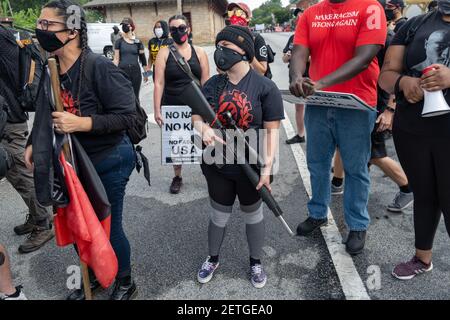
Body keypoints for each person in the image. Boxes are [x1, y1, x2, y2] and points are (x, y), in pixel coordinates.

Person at [27, 0, 137, 299]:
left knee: (107, 227)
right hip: (72, 163)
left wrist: (81, 123)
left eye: (47, 25)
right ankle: (94, 276)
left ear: (72, 31)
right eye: (40, 23)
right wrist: (31, 145)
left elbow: (129, 116)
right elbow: (43, 110)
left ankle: (125, 281)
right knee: (79, 225)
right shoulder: (50, 66)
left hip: (110, 158)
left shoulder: (97, 66)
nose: (40, 30)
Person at [290, 0, 387, 255]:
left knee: (356, 167)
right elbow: (300, 50)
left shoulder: (370, 7)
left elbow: (365, 58)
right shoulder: (311, 13)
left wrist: (320, 82)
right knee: (317, 163)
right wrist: (296, 77)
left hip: (356, 102)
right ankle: (318, 212)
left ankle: (357, 224)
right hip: (319, 103)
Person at [193, 25, 284, 289]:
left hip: (251, 167)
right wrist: (203, 129)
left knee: (252, 215)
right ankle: (212, 258)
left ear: (244, 52)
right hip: (217, 163)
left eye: (227, 48)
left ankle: (256, 261)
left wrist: (267, 169)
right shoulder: (212, 84)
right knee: (218, 215)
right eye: (218, 47)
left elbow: (271, 133)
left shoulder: (265, 87)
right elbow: (197, 114)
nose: (220, 53)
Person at [379, 1, 450, 280]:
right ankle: (422, 258)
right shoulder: (413, 25)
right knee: (425, 194)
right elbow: (386, 75)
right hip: (413, 129)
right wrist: (402, 83)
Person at [331, 0, 414, 213]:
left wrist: (390, 109)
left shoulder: (386, 38)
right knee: (343, 144)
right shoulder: (356, 34)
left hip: (377, 104)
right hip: (355, 102)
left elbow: (398, 73)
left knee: (375, 154)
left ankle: (407, 189)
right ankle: (337, 183)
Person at [0, 20, 53, 254]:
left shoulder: (2, 38)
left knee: (19, 172)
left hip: (8, 118)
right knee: (14, 172)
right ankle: (37, 216)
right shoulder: (6, 35)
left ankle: (44, 223)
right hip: (9, 115)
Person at [153, 15, 210, 194]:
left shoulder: (200, 52)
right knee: (176, 145)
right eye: (173, 29)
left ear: (188, 29)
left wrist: (209, 108)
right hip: (173, 106)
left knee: (204, 141)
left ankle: (209, 174)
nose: (178, 32)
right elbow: (158, 83)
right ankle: (177, 176)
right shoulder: (164, 53)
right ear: (170, 32)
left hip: (197, 106)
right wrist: (157, 110)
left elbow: (206, 82)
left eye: (181, 28)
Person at [226, 2, 270, 78]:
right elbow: (220, 70)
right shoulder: (227, 38)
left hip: (254, 84)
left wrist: (248, 50)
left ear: (247, 18)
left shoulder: (256, 39)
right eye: (231, 13)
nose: (234, 16)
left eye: (239, 12)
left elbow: (261, 72)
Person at [283, 7, 307, 144]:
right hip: (294, 76)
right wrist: (288, 56)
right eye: (297, 18)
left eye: (301, 16)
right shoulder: (293, 37)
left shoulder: (313, 35)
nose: (298, 19)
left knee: (314, 108)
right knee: (299, 106)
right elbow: (283, 58)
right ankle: (300, 134)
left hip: (309, 76)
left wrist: (299, 56)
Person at [113, 17, 148, 99]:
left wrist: (146, 73)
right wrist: (113, 72)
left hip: (135, 72)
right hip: (122, 72)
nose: (124, 27)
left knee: (135, 97)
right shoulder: (119, 42)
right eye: (123, 25)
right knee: (124, 96)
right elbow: (116, 59)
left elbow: (143, 59)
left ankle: (136, 112)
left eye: (126, 25)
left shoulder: (138, 42)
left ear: (131, 26)